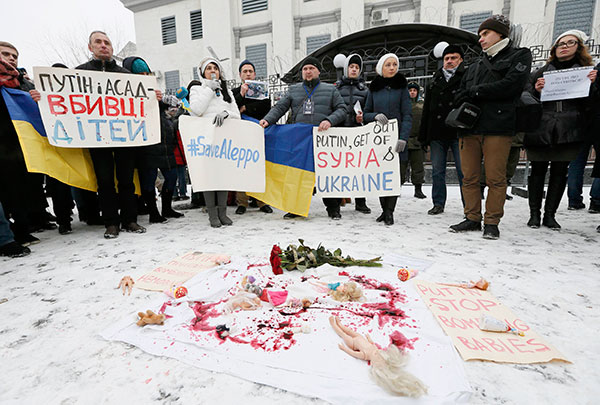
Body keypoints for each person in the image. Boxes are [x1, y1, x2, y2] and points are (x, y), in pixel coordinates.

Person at [449, 15, 532, 239]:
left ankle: (492, 222)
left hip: (498, 126)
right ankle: (472, 217)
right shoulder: (475, 64)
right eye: (480, 35)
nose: (481, 39)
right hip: (469, 127)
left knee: (496, 178)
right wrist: (461, 96)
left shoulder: (519, 55)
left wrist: (476, 92)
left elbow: (511, 86)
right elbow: (461, 90)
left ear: (500, 34)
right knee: (469, 177)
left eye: (485, 33)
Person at [74, 31, 147, 238]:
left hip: (124, 136)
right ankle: (111, 223)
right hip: (97, 138)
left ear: (112, 49)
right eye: (98, 42)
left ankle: (130, 220)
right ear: (90, 47)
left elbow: (140, 102)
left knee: (126, 180)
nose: (103, 45)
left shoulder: (126, 76)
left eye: (107, 42)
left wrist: (153, 96)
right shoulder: (78, 74)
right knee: (105, 182)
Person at [523, 30, 596, 230]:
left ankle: (550, 215)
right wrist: (536, 90)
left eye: (570, 43)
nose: (564, 46)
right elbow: (525, 95)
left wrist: (592, 85)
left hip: (568, 128)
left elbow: (591, 105)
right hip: (541, 127)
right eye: (560, 44)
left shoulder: (586, 72)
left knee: (559, 171)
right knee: (537, 170)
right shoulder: (540, 72)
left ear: (578, 47)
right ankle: (534, 214)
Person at [260, 57, 347, 219]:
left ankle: (333, 208)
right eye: (305, 69)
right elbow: (280, 107)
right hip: (300, 142)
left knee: (325, 174)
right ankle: (295, 208)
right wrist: (267, 120)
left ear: (318, 71)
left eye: (311, 68)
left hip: (323, 141)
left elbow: (342, 109)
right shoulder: (294, 90)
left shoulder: (331, 90)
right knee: (297, 174)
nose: (308, 71)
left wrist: (329, 120)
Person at [123, 56, 184, 224]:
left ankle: (166, 208)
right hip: (146, 145)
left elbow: (161, 107)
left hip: (164, 143)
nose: (144, 75)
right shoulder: (128, 92)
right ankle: (153, 213)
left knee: (172, 177)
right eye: (140, 73)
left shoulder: (153, 89)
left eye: (146, 72)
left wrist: (164, 101)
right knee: (148, 182)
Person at [0, 41, 44, 246]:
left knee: (20, 188)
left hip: (19, 144)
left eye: (14, 56)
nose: (11, 59)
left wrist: (37, 99)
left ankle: (22, 230)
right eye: (6, 54)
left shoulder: (22, 83)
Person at [188, 57, 241, 227]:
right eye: (209, 68)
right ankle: (212, 214)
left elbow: (236, 114)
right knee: (210, 178)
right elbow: (195, 111)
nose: (212, 71)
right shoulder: (197, 89)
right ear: (203, 72)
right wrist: (209, 90)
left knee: (222, 177)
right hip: (206, 139)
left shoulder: (226, 90)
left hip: (224, 140)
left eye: (215, 68)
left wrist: (227, 113)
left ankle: (223, 213)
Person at [363, 53, 412, 225]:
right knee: (381, 176)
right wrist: (375, 116)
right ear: (381, 68)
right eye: (388, 65)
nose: (392, 68)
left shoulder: (402, 88)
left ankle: (389, 211)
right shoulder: (374, 88)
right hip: (379, 141)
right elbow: (365, 114)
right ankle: (384, 209)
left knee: (394, 177)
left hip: (397, 139)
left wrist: (403, 138)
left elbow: (407, 115)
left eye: (394, 64)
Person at [418, 44, 465, 216]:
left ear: (460, 60)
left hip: (459, 132)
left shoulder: (466, 78)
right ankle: (438, 203)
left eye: (453, 58)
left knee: (463, 172)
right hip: (437, 133)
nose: (450, 61)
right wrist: (423, 137)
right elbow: (427, 111)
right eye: (447, 59)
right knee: (438, 171)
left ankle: (469, 206)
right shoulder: (434, 80)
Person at [232, 59, 272, 215]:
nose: (248, 73)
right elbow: (232, 107)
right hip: (240, 135)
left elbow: (266, 106)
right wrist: (241, 95)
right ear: (240, 75)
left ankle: (262, 202)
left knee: (259, 168)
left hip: (257, 134)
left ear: (254, 74)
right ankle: (242, 202)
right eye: (245, 71)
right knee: (241, 167)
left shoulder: (262, 91)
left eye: (250, 71)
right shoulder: (234, 91)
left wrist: (246, 107)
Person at [335, 53, 371, 214]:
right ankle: (337, 199)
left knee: (359, 169)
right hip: (340, 133)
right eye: (351, 67)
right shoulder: (336, 88)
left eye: (357, 67)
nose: (354, 70)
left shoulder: (365, 90)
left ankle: (360, 201)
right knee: (339, 168)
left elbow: (369, 110)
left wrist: (362, 118)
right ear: (346, 69)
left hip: (357, 133)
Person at [402, 82, 426, 199]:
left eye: (414, 90)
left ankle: (418, 189)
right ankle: (397, 189)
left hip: (417, 141)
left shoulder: (422, 105)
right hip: (404, 141)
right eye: (410, 90)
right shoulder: (402, 105)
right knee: (401, 167)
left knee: (418, 167)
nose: (412, 92)